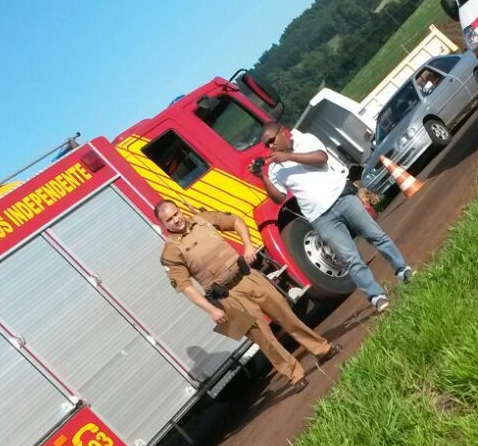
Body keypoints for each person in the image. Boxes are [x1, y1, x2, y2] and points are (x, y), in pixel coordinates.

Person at [154, 200, 340, 390]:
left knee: (287, 316)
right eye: (169, 219)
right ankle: (294, 375)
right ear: (164, 225)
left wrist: (248, 246)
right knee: (264, 339)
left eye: (176, 214)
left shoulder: (202, 219)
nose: (176, 220)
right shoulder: (170, 253)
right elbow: (186, 287)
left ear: (179, 210)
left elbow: (236, 221)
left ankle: (322, 349)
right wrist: (211, 310)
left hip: (249, 277)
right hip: (227, 298)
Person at [254, 122, 413, 313]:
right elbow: (278, 198)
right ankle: (377, 296)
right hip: (320, 218)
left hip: (342, 199)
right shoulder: (274, 170)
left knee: (375, 236)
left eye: (272, 140)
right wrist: (262, 177)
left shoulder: (305, 140)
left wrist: (287, 156)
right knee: (349, 258)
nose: (271, 146)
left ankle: (403, 270)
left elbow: (321, 158)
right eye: (267, 145)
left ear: (282, 132)